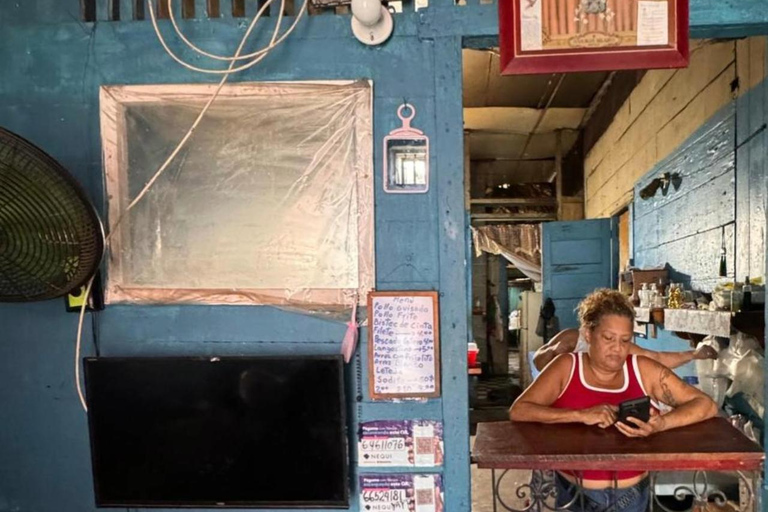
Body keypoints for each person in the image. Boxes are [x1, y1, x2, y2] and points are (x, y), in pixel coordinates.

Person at [509, 289, 718, 512]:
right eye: (608, 338)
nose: (617, 349)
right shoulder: (566, 367)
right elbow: (519, 410)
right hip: (575, 496)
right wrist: (580, 415)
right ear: (588, 334)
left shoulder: (643, 370)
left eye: (625, 340)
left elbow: (706, 405)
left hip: (633, 496)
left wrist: (662, 424)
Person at [533, 326, 718, 372]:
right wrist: (553, 352)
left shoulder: (620, 347)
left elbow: (656, 358)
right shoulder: (573, 339)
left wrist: (694, 354)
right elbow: (538, 361)